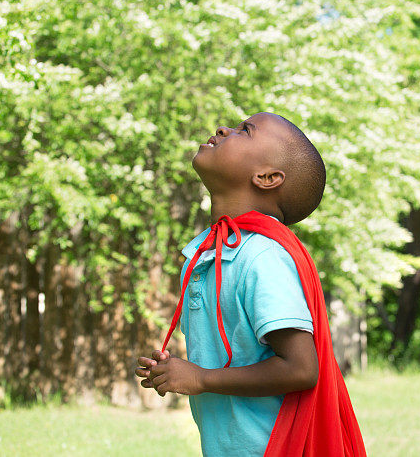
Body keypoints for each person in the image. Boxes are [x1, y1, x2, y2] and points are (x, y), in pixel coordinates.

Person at [134, 112, 366, 456]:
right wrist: (174, 372)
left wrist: (201, 378)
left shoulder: (262, 257)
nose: (223, 129)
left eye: (245, 131)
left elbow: (301, 368)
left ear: (267, 177)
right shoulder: (209, 253)